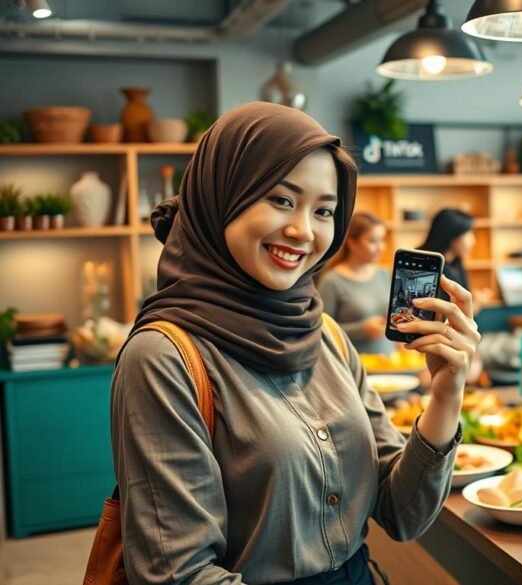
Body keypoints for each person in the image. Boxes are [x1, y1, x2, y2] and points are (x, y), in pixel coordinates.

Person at [111, 102, 480, 585]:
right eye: (282, 200)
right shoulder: (163, 358)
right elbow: (178, 575)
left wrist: (447, 392)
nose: (303, 231)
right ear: (222, 195)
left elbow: (400, 512)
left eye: (324, 210)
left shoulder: (326, 336)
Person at [318, 211, 392, 355]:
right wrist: (361, 330)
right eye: (373, 241)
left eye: (382, 240)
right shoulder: (332, 281)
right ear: (352, 243)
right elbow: (322, 331)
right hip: (352, 366)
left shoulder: (384, 274)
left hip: (390, 364)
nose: (381, 247)